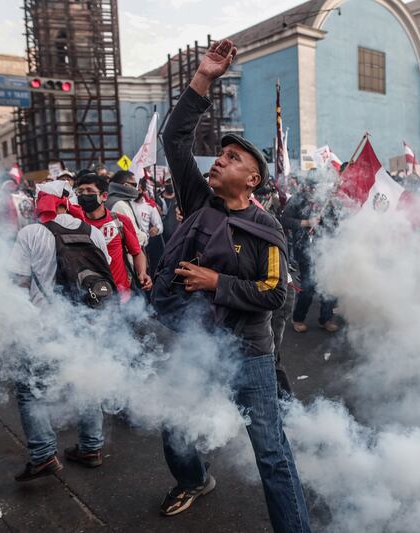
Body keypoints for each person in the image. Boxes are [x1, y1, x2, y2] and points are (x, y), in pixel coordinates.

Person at [151, 39, 311, 532]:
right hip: (198, 341)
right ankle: (195, 479)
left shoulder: (269, 228)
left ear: (253, 179)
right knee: (175, 424)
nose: (219, 160)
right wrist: (203, 78)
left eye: (233, 157)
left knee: (272, 454)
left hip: (248, 351)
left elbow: (275, 294)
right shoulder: (200, 201)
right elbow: (175, 138)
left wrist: (215, 281)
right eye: (220, 153)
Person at [7, 185, 114, 481]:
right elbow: (106, 272)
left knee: (30, 389)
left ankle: (43, 455)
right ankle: (91, 447)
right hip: (89, 323)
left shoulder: (31, 233)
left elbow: (18, 282)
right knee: (86, 381)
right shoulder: (92, 232)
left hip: (46, 325)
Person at [69, 174, 152, 298]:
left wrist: (142, 273)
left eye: (90, 191)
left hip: (121, 295)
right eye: (80, 192)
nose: (84, 195)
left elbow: (137, 252)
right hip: (88, 297)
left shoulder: (120, 221)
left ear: (104, 196)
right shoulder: (74, 224)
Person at [280, 176, 338, 333]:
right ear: (306, 188)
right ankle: (298, 318)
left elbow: (334, 223)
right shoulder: (297, 200)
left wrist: (328, 216)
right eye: (312, 188)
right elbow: (284, 220)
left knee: (329, 284)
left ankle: (326, 318)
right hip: (304, 248)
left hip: (324, 247)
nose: (315, 191)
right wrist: (306, 223)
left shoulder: (326, 200)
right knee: (309, 286)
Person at [107, 170, 149, 249]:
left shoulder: (112, 200)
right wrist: (145, 237)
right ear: (126, 185)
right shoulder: (120, 205)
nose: (137, 188)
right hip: (126, 255)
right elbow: (134, 236)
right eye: (134, 185)